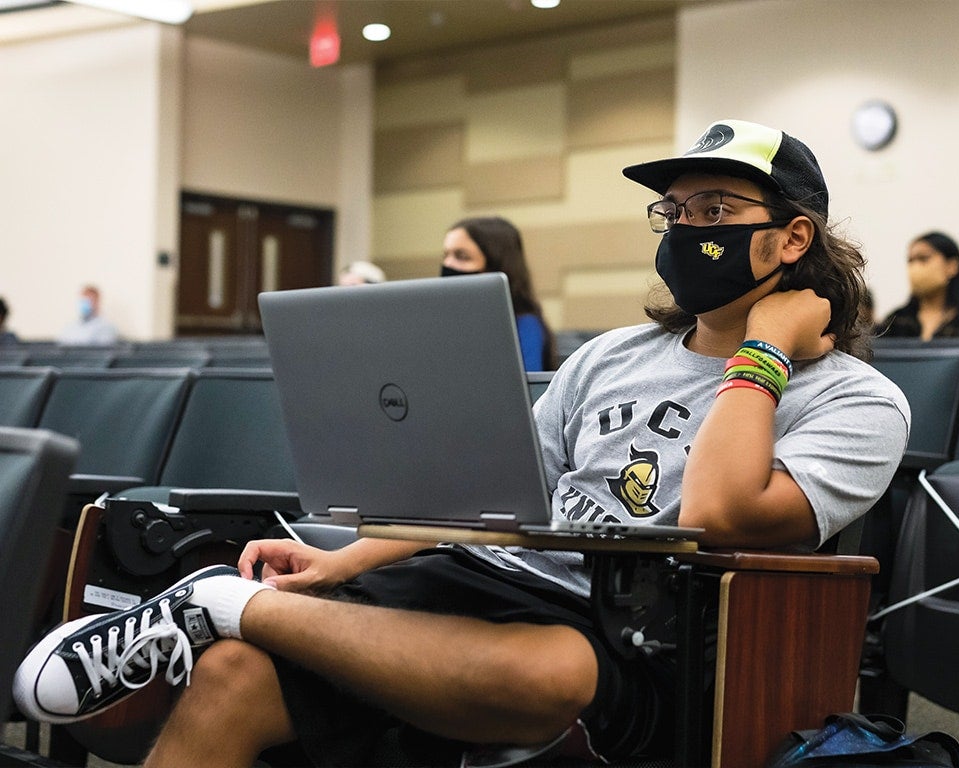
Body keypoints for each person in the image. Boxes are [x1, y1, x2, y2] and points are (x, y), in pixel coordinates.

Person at [14, 119, 910, 768]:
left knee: (557, 669)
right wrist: (340, 564)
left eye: (714, 208)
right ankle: (232, 614)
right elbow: (483, 492)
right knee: (235, 675)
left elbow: (719, 516)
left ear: (792, 238)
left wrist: (764, 351)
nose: (684, 231)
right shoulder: (609, 357)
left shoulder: (861, 403)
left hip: (640, 635)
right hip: (491, 577)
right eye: (672, 213)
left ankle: (221, 603)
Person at [442, 216, 556, 371]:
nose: (448, 264)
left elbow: (524, 391)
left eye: (462, 256)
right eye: (445, 255)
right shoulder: (446, 324)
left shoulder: (525, 326)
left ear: (495, 265)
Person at [875, 232, 959, 340]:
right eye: (910, 261)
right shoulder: (896, 322)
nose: (915, 268)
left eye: (923, 259)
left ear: (952, 266)